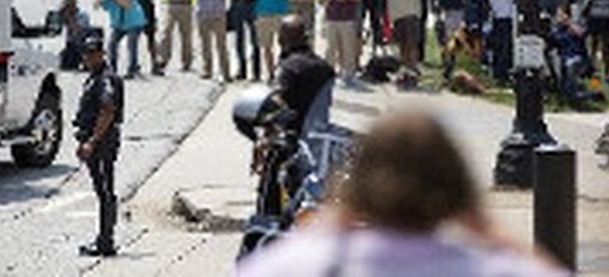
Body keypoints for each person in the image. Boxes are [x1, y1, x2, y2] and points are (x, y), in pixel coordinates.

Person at [237, 110, 568, 277]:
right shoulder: (493, 269)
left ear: (358, 185)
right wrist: (487, 229)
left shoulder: (290, 266)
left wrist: (332, 222)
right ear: (457, 190)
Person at [73, 34, 124, 258]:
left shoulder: (105, 78)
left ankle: (106, 242)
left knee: (105, 192)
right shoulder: (95, 76)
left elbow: (108, 110)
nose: (89, 58)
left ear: (102, 54)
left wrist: (92, 142)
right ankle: (104, 239)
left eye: (93, 53)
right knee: (102, 190)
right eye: (86, 54)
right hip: (96, 141)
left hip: (102, 143)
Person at [272, 15, 336, 136]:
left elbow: (279, 102)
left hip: (293, 134)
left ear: (283, 39)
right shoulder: (325, 68)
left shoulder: (288, 68)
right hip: (320, 129)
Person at [322, 0, 364, 85]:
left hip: (347, 17)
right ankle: (328, 75)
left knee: (348, 48)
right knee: (330, 48)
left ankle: (349, 75)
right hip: (331, 16)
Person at [254, 0, 294, 80]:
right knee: (266, 47)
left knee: (285, 45)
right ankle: (270, 73)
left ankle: (283, 71)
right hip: (263, 14)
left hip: (281, 14)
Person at [96, 0, 146, 79]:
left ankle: (132, 69)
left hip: (134, 22)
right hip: (119, 25)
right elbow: (96, 5)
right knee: (112, 44)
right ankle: (112, 68)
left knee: (131, 44)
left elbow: (127, 5)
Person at [192, 0, 231, 82]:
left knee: (221, 45)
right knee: (205, 44)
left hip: (218, 14)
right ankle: (207, 70)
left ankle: (225, 72)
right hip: (203, 13)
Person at [385, 0, 423, 79]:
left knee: (411, 43)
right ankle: (405, 69)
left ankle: (413, 69)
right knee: (402, 44)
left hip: (410, 13)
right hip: (397, 15)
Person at [547, 6, 594, 106]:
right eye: (558, 15)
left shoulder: (574, 28)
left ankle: (571, 96)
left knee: (571, 64)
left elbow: (582, 34)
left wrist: (569, 24)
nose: (559, 18)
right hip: (562, 59)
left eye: (562, 15)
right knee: (559, 63)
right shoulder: (556, 32)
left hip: (577, 58)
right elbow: (549, 46)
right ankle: (568, 95)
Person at [484, 0, 515, 84]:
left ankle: (502, 74)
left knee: (503, 45)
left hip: (504, 13)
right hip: (497, 13)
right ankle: (497, 73)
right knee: (496, 44)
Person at [56, 0, 92, 70]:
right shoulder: (67, 15)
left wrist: (70, 19)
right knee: (64, 65)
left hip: (82, 44)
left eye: (69, 6)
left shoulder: (82, 15)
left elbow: (78, 30)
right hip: (70, 45)